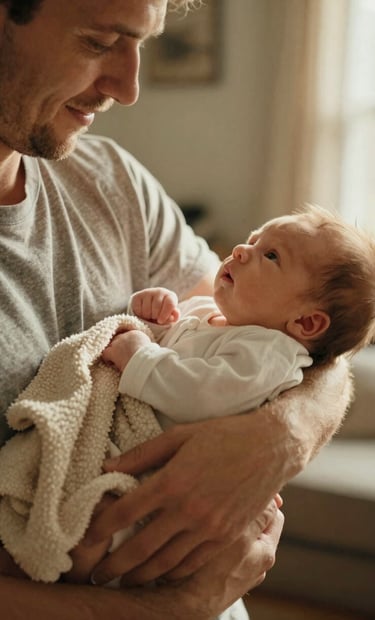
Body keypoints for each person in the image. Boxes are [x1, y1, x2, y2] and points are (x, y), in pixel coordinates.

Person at [0, 1, 352, 618]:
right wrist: (178, 607)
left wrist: (278, 438)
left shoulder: (110, 181)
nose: (129, 87)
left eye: (141, 44)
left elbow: (298, 338)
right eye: (98, 40)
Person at [102, 206, 375, 429]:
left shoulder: (270, 355)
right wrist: (153, 316)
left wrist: (138, 356)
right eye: (252, 240)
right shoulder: (203, 309)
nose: (240, 250)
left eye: (270, 256)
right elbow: (151, 340)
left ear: (306, 322)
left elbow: (200, 396)